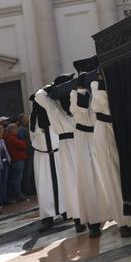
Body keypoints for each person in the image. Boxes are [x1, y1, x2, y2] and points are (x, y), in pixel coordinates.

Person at [76, 57, 131, 238]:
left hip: (116, 129)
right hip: (104, 131)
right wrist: (95, 85)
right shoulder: (91, 89)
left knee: (125, 173)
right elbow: (98, 105)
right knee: (112, 177)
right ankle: (123, 222)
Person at [32, 78, 92, 234]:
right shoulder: (74, 101)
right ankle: (89, 216)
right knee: (86, 179)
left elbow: (39, 95)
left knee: (72, 184)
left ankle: (79, 219)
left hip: (66, 145)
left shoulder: (52, 106)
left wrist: (52, 88)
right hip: (81, 141)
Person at [28, 95, 63, 229]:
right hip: (42, 156)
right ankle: (47, 216)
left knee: (61, 182)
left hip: (57, 153)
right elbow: (33, 137)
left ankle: (65, 210)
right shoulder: (33, 117)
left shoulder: (54, 111)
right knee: (44, 186)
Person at [2, 119, 28, 203]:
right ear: (11, 130)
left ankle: (18, 193)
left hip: (16, 159)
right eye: (15, 129)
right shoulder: (11, 138)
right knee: (17, 178)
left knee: (17, 178)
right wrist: (23, 142)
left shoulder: (11, 137)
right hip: (17, 160)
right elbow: (23, 145)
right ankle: (18, 194)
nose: (17, 130)